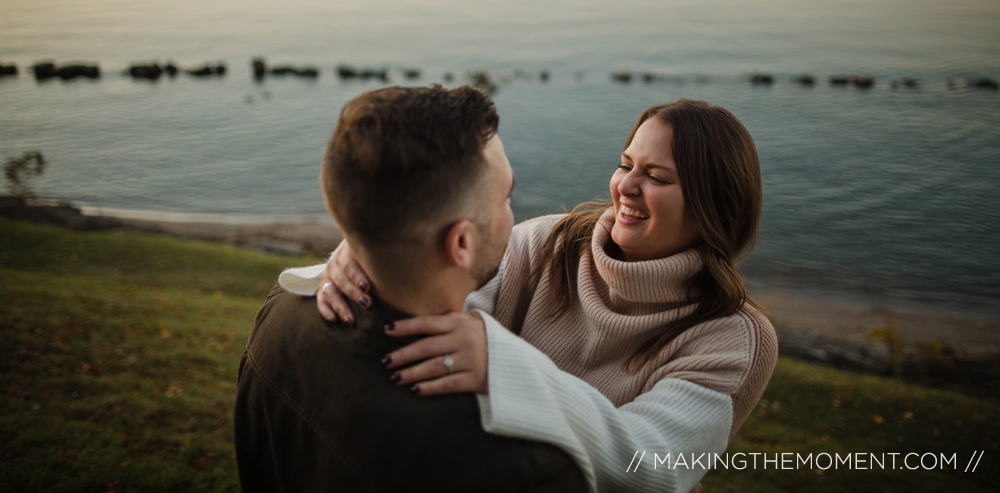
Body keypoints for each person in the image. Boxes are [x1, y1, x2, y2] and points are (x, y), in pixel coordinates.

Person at [305, 98, 779, 492]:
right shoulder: (550, 243)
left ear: (715, 201)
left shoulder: (733, 339)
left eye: (656, 177)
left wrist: (507, 368)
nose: (625, 187)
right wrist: (370, 250)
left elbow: (652, 466)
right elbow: (441, 282)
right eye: (625, 164)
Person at [235, 85, 586, 492]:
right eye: (506, 198)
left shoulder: (281, 313)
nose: (514, 215)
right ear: (461, 244)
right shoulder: (519, 465)